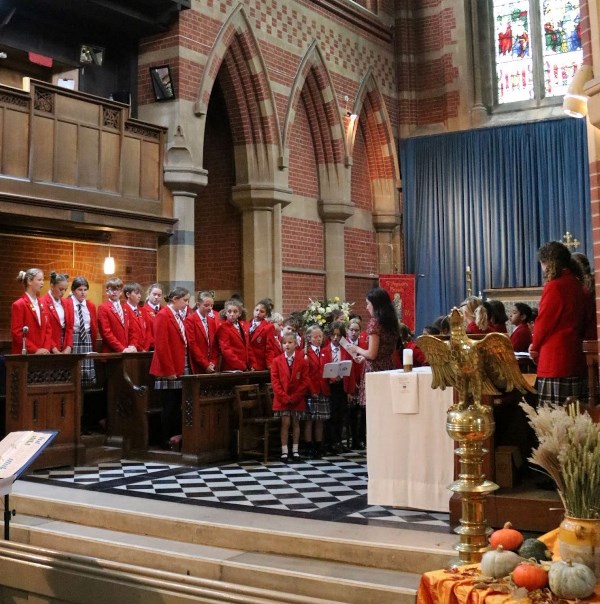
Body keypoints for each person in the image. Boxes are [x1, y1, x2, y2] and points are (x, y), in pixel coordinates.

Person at [529, 241, 588, 405]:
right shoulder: (579, 285)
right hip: (576, 359)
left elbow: (544, 322)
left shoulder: (554, 286)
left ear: (546, 262)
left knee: (553, 422)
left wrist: (534, 347)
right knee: (576, 417)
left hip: (555, 361)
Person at [149, 286, 191, 448]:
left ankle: (176, 436)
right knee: (169, 404)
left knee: (177, 403)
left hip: (179, 364)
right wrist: (169, 370)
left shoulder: (177, 315)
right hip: (169, 367)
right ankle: (166, 438)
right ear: (175, 299)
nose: (187, 304)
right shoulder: (163, 315)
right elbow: (161, 345)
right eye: (185, 300)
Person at [348, 287, 400, 411]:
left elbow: (372, 354)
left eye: (368, 304)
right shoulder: (391, 322)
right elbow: (385, 350)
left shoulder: (375, 323)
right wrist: (364, 358)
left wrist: (356, 348)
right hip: (388, 366)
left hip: (375, 371)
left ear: (375, 305)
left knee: (373, 411)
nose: (367, 307)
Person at [270, 330, 308, 462]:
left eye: (290, 342)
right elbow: (275, 382)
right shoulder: (276, 361)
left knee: (296, 423)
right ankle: (284, 450)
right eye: (284, 343)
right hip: (282, 398)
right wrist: (284, 397)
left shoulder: (302, 360)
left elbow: (304, 381)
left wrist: (296, 396)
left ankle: (295, 450)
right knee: (285, 423)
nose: (287, 345)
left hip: (297, 398)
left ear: (296, 344)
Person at [321, 321, 355, 454]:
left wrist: (350, 390)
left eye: (338, 335)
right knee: (331, 416)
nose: (335, 338)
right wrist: (331, 378)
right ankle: (329, 442)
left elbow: (350, 371)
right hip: (330, 387)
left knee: (341, 415)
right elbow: (323, 369)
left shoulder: (346, 351)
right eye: (333, 335)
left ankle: (338, 441)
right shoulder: (325, 351)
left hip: (342, 386)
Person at [11, 268, 52, 354]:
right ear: (29, 281)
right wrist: (35, 350)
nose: (42, 283)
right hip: (26, 355)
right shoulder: (19, 304)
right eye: (39, 280)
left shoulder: (43, 304)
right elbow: (17, 333)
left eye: (43, 280)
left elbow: (48, 329)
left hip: (43, 353)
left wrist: (46, 348)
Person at [65, 276, 98, 386]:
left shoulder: (90, 305)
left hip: (86, 338)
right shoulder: (67, 303)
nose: (83, 293)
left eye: (85, 290)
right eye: (80, 290)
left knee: (86, 372)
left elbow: (93, 326)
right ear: (73, 291)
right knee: (75, 371)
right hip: (73, 338)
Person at [302, 324, 328, 459]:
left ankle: (319, 446)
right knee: (309, 420)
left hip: (322, 389)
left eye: (320, 336)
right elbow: (305, 375)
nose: (318, 339)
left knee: (320, 420)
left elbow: (326, 369)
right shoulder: (306, 354)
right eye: (315, 337)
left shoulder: (324, 352)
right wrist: (312, 390)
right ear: (309, 338)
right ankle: (309, 447)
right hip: (310, 391)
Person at [97, 277, 136, 353]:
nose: (114, 292)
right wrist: (121, 349)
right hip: (111, 353)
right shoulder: (103, 308)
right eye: (112, 289)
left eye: (117, 289)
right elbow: (106, 333)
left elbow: (132, 330)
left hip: (127, 351)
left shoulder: (126, 308)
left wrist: (132, 345)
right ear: (107, 291)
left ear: (121, 292)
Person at [186, 290, 218, 373]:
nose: (210, 308)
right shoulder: (190, 320)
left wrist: (213, 362)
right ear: (198, 304)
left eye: (211, 305)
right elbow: (192, 345)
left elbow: (214, 344)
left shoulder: (211, 321)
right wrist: (205, 364)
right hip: (197, 364)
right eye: (206, 305)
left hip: (211, 365)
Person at [215, 298, 250, 371]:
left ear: (239, 313)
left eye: (235, 312)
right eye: (229, 311)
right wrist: (240, 365)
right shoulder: (223, 328)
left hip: (244, 365)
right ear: (225, 313)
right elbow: (226, 350)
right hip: (231, 367)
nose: (232, 314)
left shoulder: (242, 326)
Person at [42, 272, 73, 354]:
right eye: (61, 289)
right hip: (49, 346)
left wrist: (68, 347)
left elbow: (70, 327)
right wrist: (54, 349)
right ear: (52, 286)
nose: (63, 293)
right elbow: (44, 329)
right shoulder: (43, 302)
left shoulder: (67, 303)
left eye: (65, 289)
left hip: (65, 345)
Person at [246, 298, 278, 370]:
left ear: (266, 314)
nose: (258, 313)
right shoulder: (247, 325)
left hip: (260, 363)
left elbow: (269, 347)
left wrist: (270, 364)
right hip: (248, 362)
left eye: (262, 311)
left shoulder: (268, 327)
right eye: (256, 310)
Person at [123, 282, 148, 351]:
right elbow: (129, 333)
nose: (139, 296)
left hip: (144, 349)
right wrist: (137, 347)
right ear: (128, 294)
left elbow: (147, 330)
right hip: (131, 349)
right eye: (137, 293)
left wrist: (145, 348)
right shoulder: (123, 309)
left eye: (140, 293)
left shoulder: (143, 310)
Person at [142, 283, 163, 350]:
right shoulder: (143, 310)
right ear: (149, 294)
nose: (156, 297)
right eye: (154, 294)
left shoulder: (165, 310)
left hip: (163, 346)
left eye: (159, 295)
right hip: (151, 347)